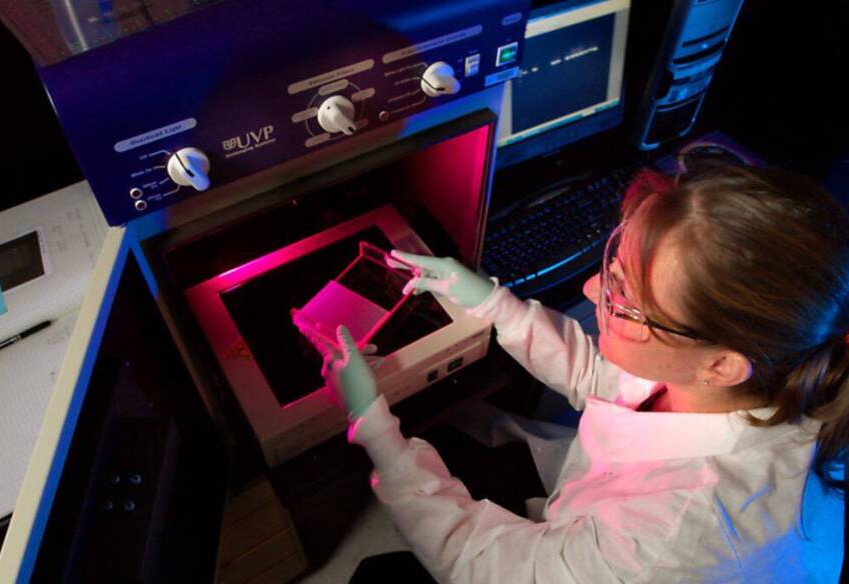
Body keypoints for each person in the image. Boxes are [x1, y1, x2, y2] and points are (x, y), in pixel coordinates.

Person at [311, 165, 847, 582]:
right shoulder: (757, 374)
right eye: (611, 276)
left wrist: (372, 424)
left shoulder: (664, 541)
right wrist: (492, 302)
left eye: (624, 302)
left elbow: (479, 565)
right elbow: (609, 379)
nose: (592, 293)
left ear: (721, 364)